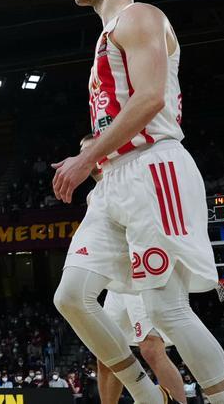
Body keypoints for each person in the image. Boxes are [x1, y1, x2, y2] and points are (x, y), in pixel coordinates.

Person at [51, 0, 224, 404]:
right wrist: (91, 151)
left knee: (168, 310)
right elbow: (122, 112)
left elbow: (151, 98)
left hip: (153, 170)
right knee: (71, 295)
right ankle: (145, 394)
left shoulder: (140, 16)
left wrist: (85, 158)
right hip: (114, 179)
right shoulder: (108, 32)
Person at [73, 135, 185, 404]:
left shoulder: (130, 177)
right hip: (119, 282)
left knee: (151, 349)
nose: (89, 158)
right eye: (83, 153)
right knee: (105, 353)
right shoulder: (94, 195)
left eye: (92, 150)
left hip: (143, 271)